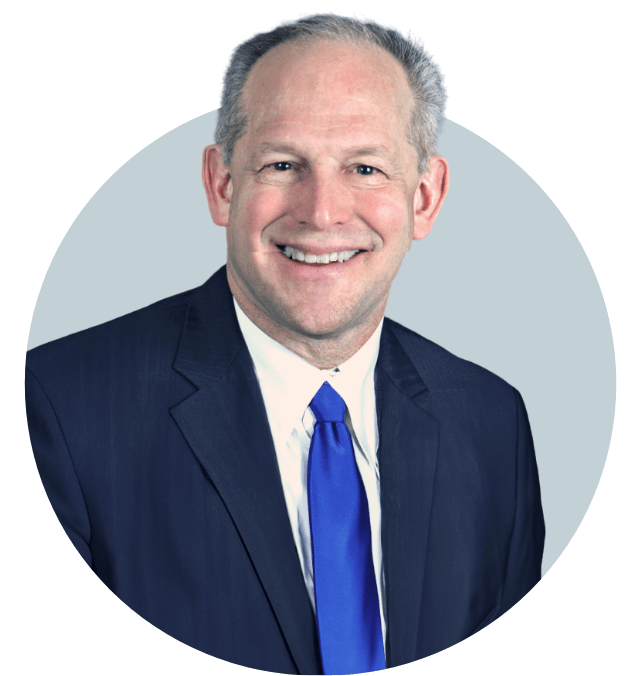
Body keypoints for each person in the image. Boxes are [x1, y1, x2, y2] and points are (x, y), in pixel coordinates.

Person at [25, 13, 545, 674]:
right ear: (222, 185)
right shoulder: (61, 410)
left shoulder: (491, 420)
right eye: (281, 164)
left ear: (424, 197)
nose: (321, 212)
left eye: (364, 167)